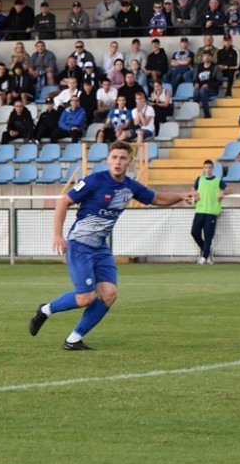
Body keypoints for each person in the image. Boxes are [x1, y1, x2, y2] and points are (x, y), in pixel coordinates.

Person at [28, 141, 196, 350]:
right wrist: (57, 235)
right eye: (114, 157)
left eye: (123, 158)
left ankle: (73, 340)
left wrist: (181, 196)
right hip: (79, 245)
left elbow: (158, 199)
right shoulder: (94, 180)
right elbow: (64, 201)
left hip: (100, 248)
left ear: (129, 162)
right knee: (86, 298)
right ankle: (45, 310)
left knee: (109, 294)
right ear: (108, 159)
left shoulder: (131, 187)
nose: (118, 162)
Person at [190, 159, 227, 265]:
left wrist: (222, 192)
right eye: (206, 167)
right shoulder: (199, 179)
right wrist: (194, 193)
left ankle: (204, 257)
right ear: (203, 169)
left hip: (211, 211)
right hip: (200, 210)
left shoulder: (218, 180)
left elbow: (228, 189)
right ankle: (206, 251)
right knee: (194, 232)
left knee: (208, 236)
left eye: (210, 167)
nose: (208, 169)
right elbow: (193, 189)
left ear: (213, 168)